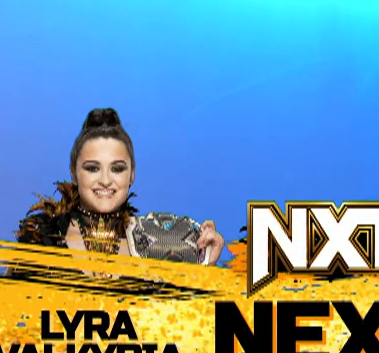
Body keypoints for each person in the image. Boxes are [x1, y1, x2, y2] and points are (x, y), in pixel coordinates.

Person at [16, 108, 226, 265]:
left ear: (131, 174)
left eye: (117, 169)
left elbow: (176, 310)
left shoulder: (158, 246)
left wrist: (205, 262)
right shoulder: (41, 238)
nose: (105, 180)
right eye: (92, 168)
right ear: (74, 173)